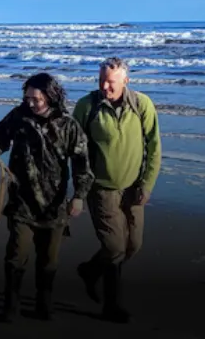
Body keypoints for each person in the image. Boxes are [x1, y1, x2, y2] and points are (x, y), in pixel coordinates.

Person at [0, 72, 93, 322]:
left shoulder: (67, 124)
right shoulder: (19, 116)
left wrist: (79, 197)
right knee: (15, 257)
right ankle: (11, 307)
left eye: (36, 99)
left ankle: (44, 305)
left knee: (48, 261)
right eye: (27, 97)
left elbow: (82, 162)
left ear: (51, 97)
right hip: (21, 200)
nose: (30, 103)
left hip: (54, 205)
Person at [73, 57, 162, 323]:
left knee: (133, 246)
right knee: (114, 247)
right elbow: (75, 150)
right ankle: (112, 306)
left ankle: (90, 271)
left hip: (134, 189)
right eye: (101, 80)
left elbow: (154, 147)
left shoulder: (142, 104)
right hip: (101, 189)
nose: (105, 86)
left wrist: (147, 184)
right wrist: (78, 191)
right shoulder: (87, 106)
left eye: (111, 82)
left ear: (126, 80)